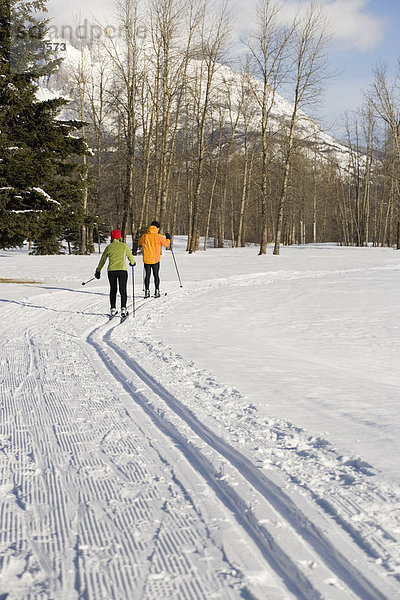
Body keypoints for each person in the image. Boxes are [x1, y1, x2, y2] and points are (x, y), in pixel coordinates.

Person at [95, 229, 136, 317]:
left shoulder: (109, 247)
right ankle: (123, 309)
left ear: (112, 237)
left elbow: (103, 260)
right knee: (122, 289)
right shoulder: (124, 246)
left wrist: (98, 270)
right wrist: (132, 262)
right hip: (122, 270)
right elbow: (130, 257)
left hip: (111, 271)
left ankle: (113, 309)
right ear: (119, 237)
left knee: (113, 289)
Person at [139, 221, 171, 298]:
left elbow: (140, 242)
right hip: (155, 259)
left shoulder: (145, 236)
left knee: (147, 275)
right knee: (156, 275)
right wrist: (168, 238)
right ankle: (157, 291)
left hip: (147, 259)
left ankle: (147, 291)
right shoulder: (159, 236)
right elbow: (166, 244)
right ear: (157, 228)